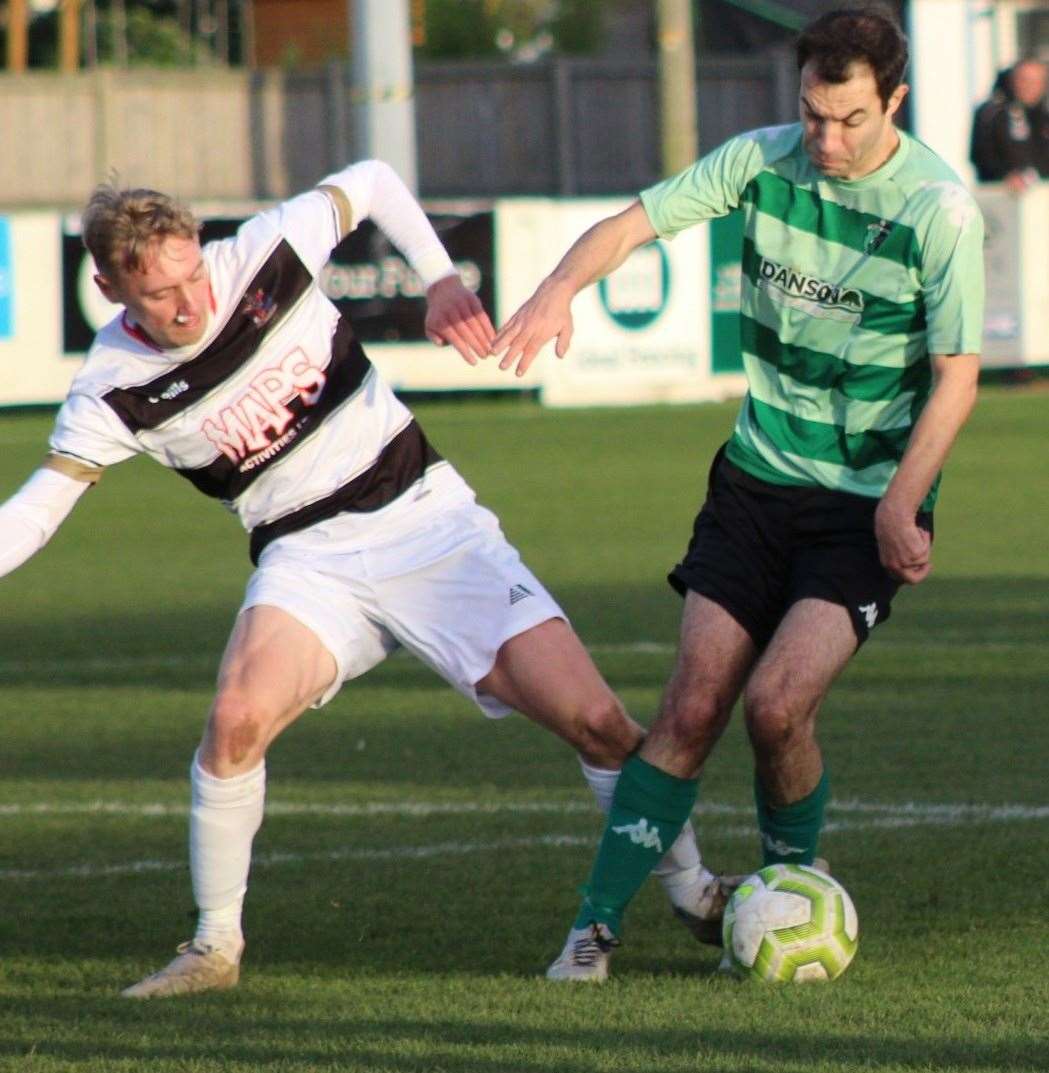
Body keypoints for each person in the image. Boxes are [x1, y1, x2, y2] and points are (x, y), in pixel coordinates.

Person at [0, 162, 734, 997]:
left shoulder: (266, 253)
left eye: (192, 273)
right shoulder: (110, 390)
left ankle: (695, 891)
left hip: (428, 522)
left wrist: (441, 279)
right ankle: (212, 947)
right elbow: (34, 512)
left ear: (203, 248)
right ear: (106, 286)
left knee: (599, 722)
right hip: (308, 559)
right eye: (161, 294)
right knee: (235, 718)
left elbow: (378, 180)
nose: (190, 303)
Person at [491, 5, 984, 981]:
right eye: (812, 114)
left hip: (861, 501)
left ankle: (788, 885)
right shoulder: (759, 161)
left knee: (775, 705)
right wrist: (557, 289)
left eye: (849, 119)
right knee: (689, 707)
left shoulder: (938, 208)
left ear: (893, 99)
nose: (826, 139)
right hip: (754, 481)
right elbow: (628, 223)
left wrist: (902, 498)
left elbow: (956, 373)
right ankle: (591, 931)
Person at [970, 58, 1049, 191]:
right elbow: (980, 156)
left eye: (1036, 81)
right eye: (1024, 80)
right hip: (1002, 197)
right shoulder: (991, 114)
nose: (1030, 86)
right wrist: (1005, 176)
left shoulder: (1045, 116)